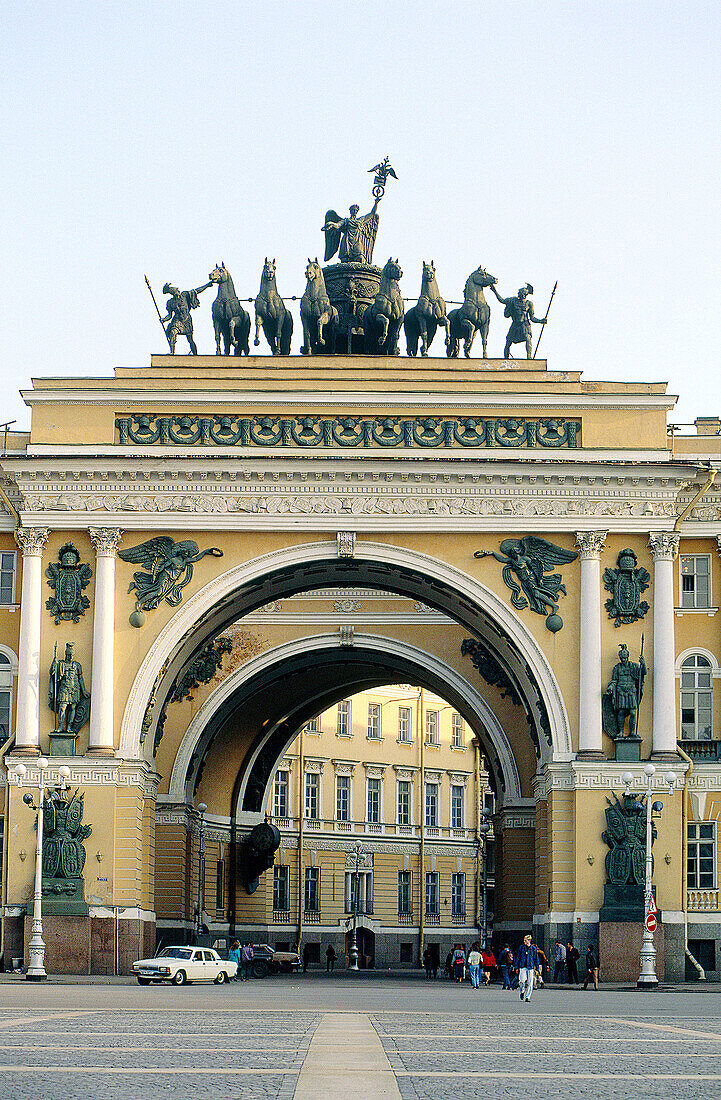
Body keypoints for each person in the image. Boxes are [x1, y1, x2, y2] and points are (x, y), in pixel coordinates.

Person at [490, 282, 546, 359]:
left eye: (519, 293)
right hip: (515, 325)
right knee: (508, 341)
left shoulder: (529, 304)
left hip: (524, 325)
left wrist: (541, 321)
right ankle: (506, 359)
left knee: (528, 338)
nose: (518, 294)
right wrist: (494, 291)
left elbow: (532, 318)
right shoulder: (513, 300)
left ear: (524, 294)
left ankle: (529, 357)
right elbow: (502, 300)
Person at [161, 280, 211, 355]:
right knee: (173, 332)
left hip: (187, 320)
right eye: (177, 291)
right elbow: (170, 315)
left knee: (190, 339)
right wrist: (164, 320)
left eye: (178, 290)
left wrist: (207, 285)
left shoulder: (184, 295)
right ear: (173, 294)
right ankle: (172, 352)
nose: (178, 292)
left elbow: (196, 291)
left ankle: (195, 354)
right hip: (177, 320)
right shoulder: (170, 302)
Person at [516, 934, 540, 1003]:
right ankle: (522, 991)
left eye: (525, 940)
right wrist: (516, 967)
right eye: (524, 940)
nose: (524, 942)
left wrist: (537, 969)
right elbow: (518, 957)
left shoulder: (533, 949)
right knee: (522, 981)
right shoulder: (521, 948)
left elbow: (536, 959)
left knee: (530, 982)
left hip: (530, 967)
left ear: (529, 940)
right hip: (523, 966)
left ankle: (528, 997)